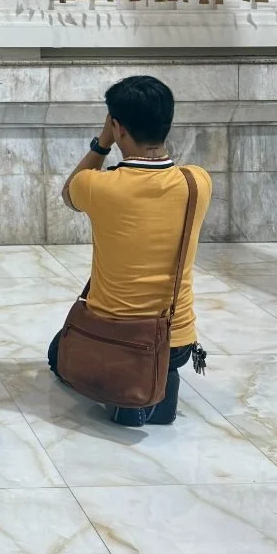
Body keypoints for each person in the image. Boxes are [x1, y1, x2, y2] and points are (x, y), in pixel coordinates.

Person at [51, 75, 210, 427]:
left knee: (57, 355)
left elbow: (68, 194)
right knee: (161, 352)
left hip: (116, 337)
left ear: (117, 125)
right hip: (177, 338)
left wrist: (102, 142)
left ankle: (130, 397)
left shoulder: (98, 186)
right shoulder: (197, 182)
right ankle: (158, 378)